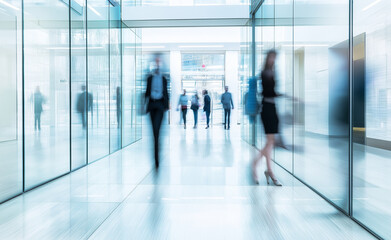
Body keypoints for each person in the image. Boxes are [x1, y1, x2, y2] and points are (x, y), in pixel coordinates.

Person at [252, 50, 282, 186]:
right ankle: (255, 164)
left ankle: (269, 170)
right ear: (267, 58)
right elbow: (267, 92)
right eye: (271, 57)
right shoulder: (265, 73)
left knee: (270, 141)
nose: (273, 60)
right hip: (267, 109)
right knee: (270, 142)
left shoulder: (272, 73)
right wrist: (281, 95)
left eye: (274, 58)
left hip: (272, 108)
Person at [145, 54, 169, 169]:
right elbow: (146, 92)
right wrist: (143, 105)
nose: (157, 65)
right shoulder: (149, 78)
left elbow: (166, 92)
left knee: (156, 129)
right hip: (152, 104)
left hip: (159, 105)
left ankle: (157, 156)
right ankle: (156, 143)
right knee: (154, 131)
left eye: (159, 63)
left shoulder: (164, 79)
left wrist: (166, 105)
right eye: (156, 63)